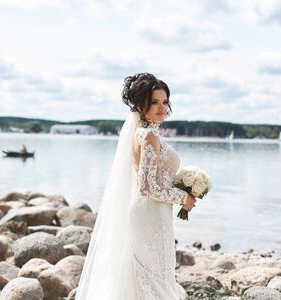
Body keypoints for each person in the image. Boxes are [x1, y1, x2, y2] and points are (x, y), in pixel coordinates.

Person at [75, 73, 197, 300]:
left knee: (151, 275)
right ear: (141, 104)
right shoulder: (149, 135)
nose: (162, 108)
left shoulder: (139, 132)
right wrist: (183, 197)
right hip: (150, 214)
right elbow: (147, 187)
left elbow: (152, 179)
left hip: (152, 212)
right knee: (154, 277)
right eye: (154, 102)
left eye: (164, 101)